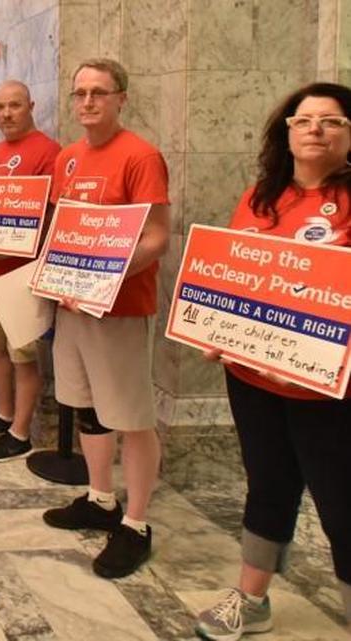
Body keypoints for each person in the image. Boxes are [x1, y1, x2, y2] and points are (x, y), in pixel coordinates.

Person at [192, 82, 351, 640]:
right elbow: (236, 273)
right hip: (252, 378)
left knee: (342, 504)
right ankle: (252, 598)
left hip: (330, 392)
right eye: (303, 120)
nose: (315, 129)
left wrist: (315, 355)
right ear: (286, 131)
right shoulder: (261, 196)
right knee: (267, 485)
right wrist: (215, 326)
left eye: (331, 121)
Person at [40, 58, 170, 579]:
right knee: (87, 406)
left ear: (121, 98)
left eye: (99, 92)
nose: (88, 102)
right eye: (80, 93)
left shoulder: (141, 155)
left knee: (131, 415)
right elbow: (60, 226)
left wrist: (103, 277)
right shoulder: (68, 158)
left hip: (117, 307)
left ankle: (136, 523)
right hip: (71, 305)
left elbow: (157, 235)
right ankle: (100, 498)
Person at [0, 80, 61, 463]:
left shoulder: (48, 152)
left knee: (23, 354)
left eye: (15, 106)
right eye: (0, 107)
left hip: (23, 271)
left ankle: (21, 431)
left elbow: (52, 215)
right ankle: (4, 415)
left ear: (30, 105)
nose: (6, 114)